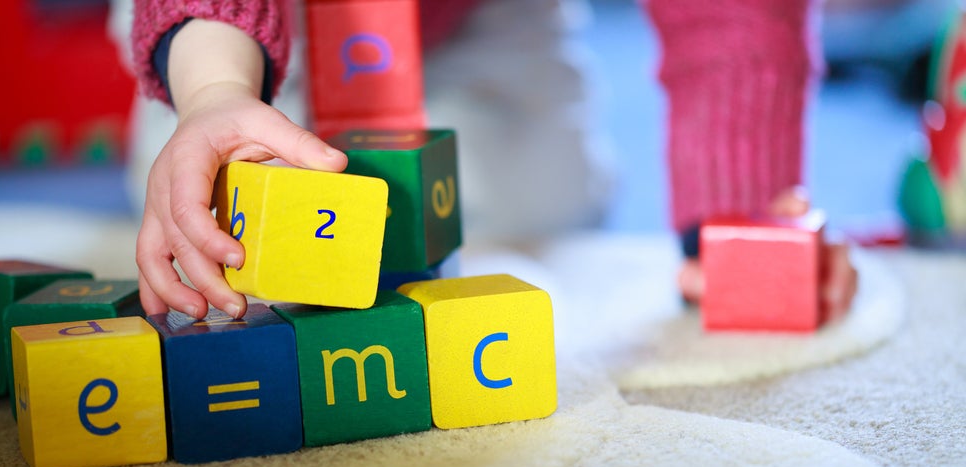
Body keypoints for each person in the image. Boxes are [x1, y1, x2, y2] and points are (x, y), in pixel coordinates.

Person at [127, 0, 857, 322]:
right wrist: (214, 90)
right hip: (249, 19)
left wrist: (740, 231)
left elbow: (731, 18)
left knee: (542, 211)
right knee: (238, 234)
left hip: (479, 14)